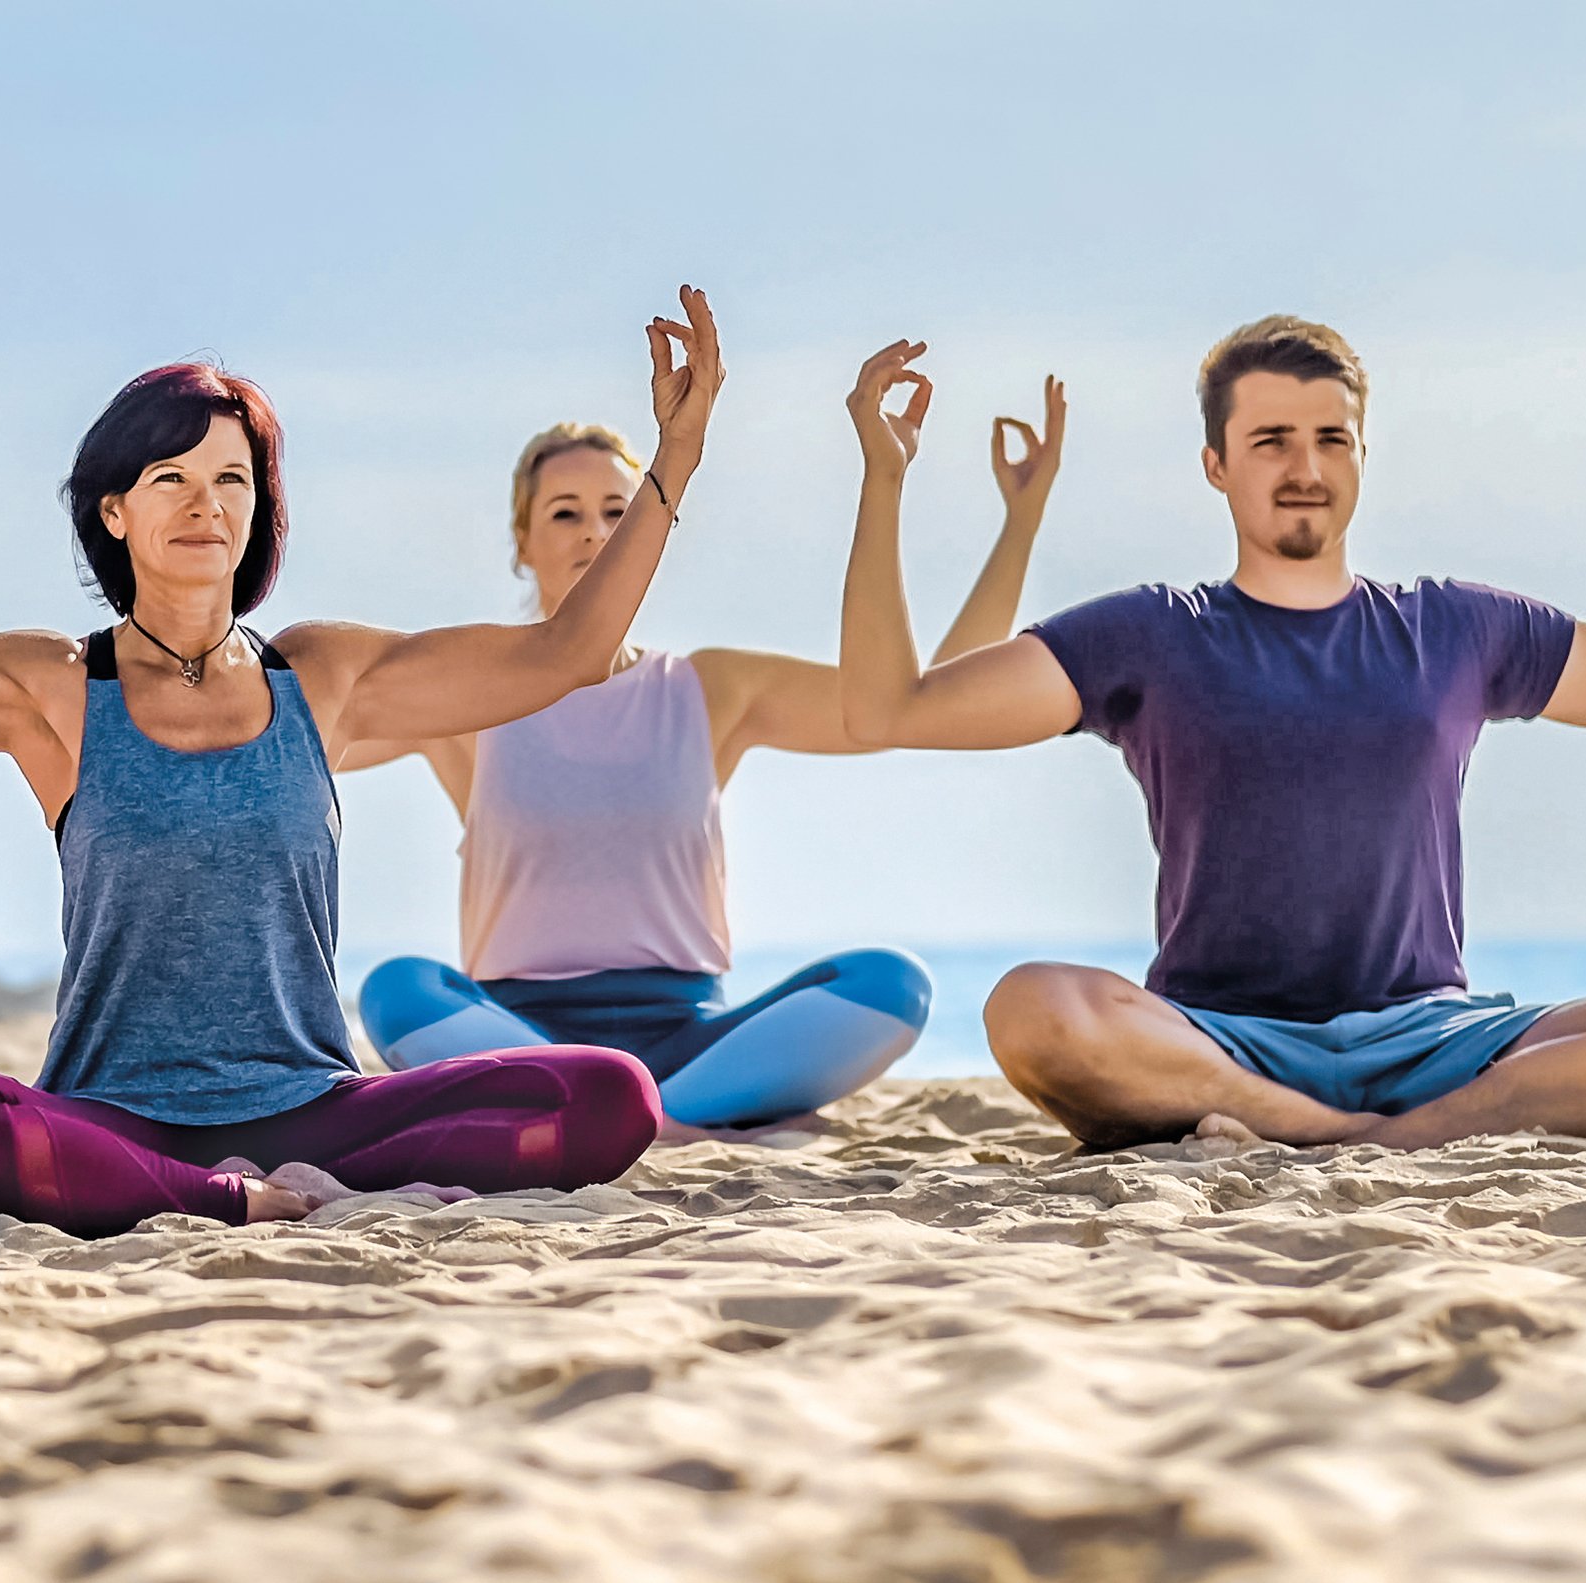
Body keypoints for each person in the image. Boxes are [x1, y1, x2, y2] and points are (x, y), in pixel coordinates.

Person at [0, 294, 719, 1235]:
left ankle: (244, 1187)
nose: (204, 503)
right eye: (169, 476)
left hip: (313, 1105)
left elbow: (566, 652)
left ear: (260, 508)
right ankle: (218, 1198)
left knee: (611, 1092)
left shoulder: (323, 678)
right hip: (113, 1107)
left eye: (230, 479)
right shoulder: (53, 688)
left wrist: (677, 452)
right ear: (114, 508)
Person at [836, 315, 1586, 1152]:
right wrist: (883, 480)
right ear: (1217, 464)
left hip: (1431, 1037)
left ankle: (1357, 1135)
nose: (1304, 468)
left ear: (1361, 456)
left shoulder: (1457, 629)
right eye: (1269, 440)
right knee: (1031, 1007)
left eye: (1330, 439)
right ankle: (1361, 1134)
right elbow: (889, 711)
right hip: (1215, 1041)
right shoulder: (1153, 634)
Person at [346, 379, 1066, 1129]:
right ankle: (615, 1106)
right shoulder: (469, 695)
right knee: (397, 987)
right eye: (565, 513)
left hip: (693, 1043)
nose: (594, 533)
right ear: (523, 542)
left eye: (618, 514)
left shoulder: (712, 688)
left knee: (894, 984)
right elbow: (294, 736)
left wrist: (1012, 519)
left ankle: (635, 1116)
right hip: (522, 1033)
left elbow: (924, 703)